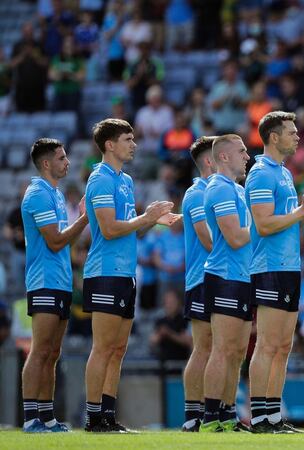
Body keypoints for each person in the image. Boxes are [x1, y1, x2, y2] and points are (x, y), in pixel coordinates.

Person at [83, 119, 178, 433]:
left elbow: (130, 231)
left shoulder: (124, 181)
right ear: (110, 145)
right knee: (103, 346)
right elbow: (110, 230)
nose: (134, 144)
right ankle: (93, 416)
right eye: (128, 139)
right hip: (105, 272)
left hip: (125, 272)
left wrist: (155, 220)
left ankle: (107, 415)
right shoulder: (100, 179)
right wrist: (145, 217)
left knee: (118, 348)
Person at [246, 112, 304, 434]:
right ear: (274, 137)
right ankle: (259, 417)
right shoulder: (260, 173)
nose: (298, 137)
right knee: (268, 344)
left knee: (283, 345)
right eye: (291, 132)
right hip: (269, 267)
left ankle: (273, 415)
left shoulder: (283, 174)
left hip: (287, 266)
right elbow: (264, 224)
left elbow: (285, 221)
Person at [20, 138, 89, 433]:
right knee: (40, 350)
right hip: (44, 282)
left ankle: (46, 417)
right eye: (61, 158)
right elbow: (56, 240)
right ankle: (30, 417)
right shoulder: (37, 195)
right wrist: (86, 218)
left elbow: (63, 242)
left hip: (59, 282)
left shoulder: (56, 194)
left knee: (52, 352)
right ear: (47, 163)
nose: (67, 162)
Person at [199, 135, 253, 433]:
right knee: (222, 349)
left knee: (236, 352)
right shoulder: (219, 189)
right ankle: (209, 417)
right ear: (223, 157)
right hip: (225, 276)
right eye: (242, 151)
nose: (247, 156)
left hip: (242, 276)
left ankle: (227, 415)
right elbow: (234, 238)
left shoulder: (238, 190)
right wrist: (266, 223)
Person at [180, 136, 216, 432]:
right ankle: (193, 415)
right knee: (204, 348)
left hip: (224, 277)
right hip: (203, 279)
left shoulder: (225, 191)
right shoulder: (197, 194)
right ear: (210, 160)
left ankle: (217, 413)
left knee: (223, 349)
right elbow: (208, 240)